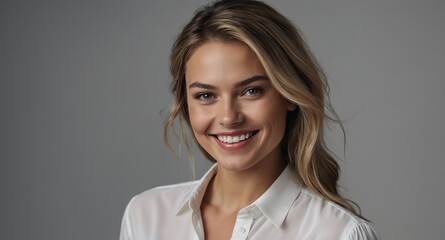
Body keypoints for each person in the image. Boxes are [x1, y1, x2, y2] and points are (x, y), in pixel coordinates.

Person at [120, 0, 380, 239]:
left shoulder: (339, 233)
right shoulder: (146, 217)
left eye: (251, 91)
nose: (228, 117)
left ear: (290, 94)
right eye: (206, 95)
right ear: (185, 104)